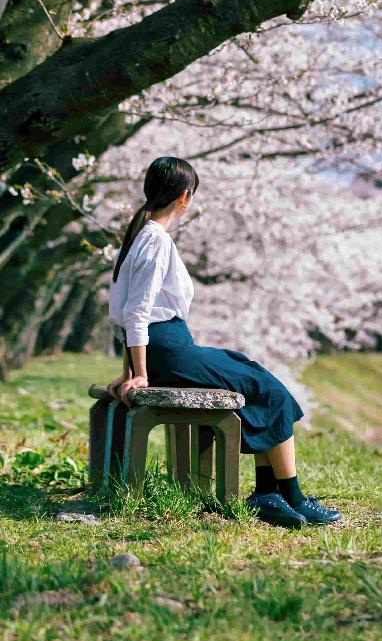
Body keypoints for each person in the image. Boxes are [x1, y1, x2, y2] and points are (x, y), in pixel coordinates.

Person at [106, 156, 340, 528]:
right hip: (170, 351)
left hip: (167, 349)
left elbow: (121, 312)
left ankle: (269, 493)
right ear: (185, 197)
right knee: (271, 391)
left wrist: (131, 370)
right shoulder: (156, 240)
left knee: (251, 373)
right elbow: (137, 313)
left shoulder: (139, 238)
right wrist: (142, 375)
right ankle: (289, 495)